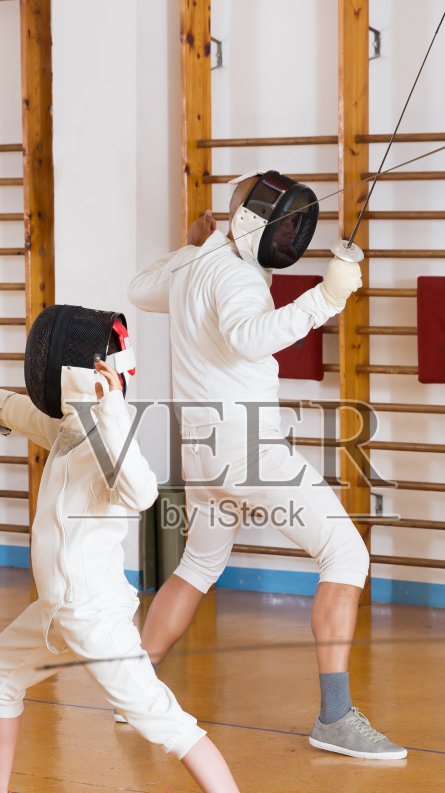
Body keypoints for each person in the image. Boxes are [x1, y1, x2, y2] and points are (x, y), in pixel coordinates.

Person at [0, 304, 286, 793]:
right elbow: (14, 411)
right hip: (54, 612)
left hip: (94, 618)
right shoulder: (69, 429)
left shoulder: (105, 436)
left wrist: (110, 406)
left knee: (163, 722)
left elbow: (141, 491)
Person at [126, 171, 405, 760]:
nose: (294, 235)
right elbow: (251, 338)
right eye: (287, 224)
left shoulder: (199, 263)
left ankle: (134, 693)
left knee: (199, 562)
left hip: (201, 449)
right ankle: (334, 718)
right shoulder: (236, 277)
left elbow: (141, 289)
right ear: (253, 223)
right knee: (346, 552)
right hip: (245, 447)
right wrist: (327, 297)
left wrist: (195, 241)